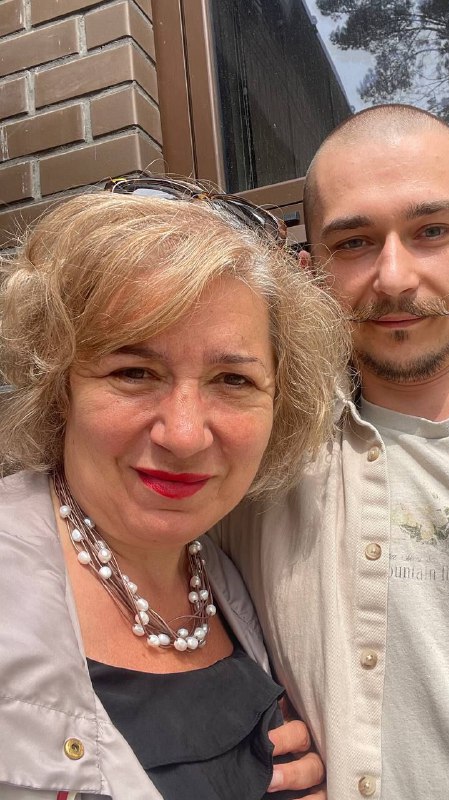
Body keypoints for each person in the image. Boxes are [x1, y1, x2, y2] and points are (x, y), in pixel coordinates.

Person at [214, 105, 449, 799]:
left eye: (431, 231)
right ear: (311, 275)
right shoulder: (249, 471)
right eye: (354, 242)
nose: (393, 276)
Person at [0, 179, 349, 800]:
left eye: (233, 380)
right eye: (135, 372)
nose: (184, 435)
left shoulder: (227, 573)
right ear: (60, 387)